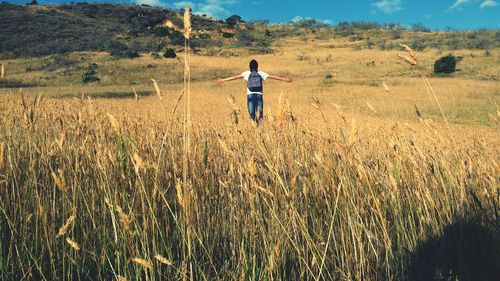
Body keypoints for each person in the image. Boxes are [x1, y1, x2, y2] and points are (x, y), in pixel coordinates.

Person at [216, 59, 293, 122]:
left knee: (251, 114)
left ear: (249, 66)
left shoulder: (247, 73)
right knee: (260, 115)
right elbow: (273, 77)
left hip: (250, 96)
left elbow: (235, 77)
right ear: (257, 66)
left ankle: (253, 126)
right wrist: (285, 79)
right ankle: (259, 126)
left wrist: (223, 80)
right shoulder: (260, 73)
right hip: (259, 95)